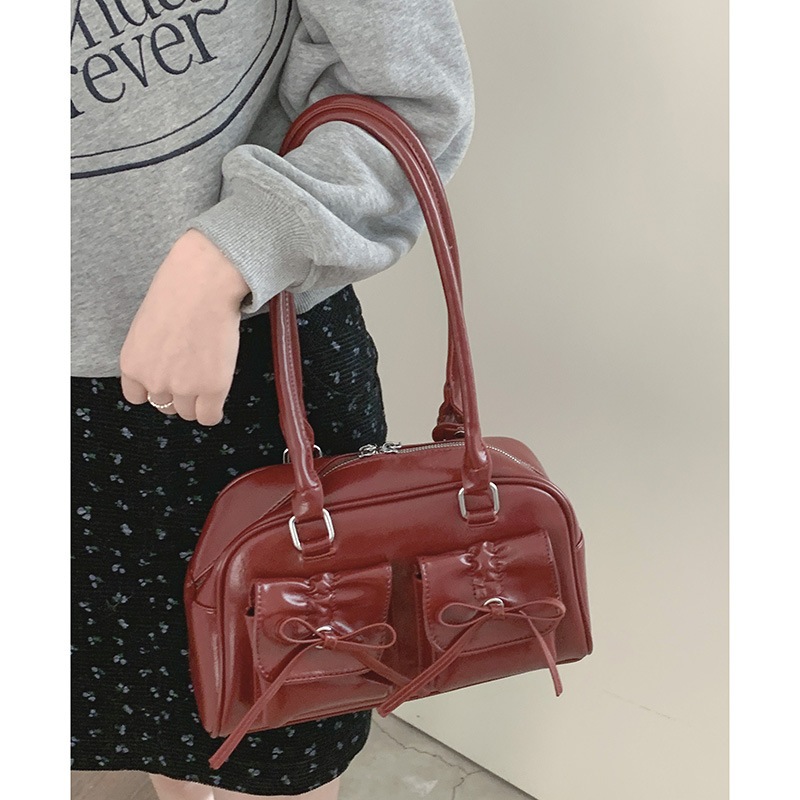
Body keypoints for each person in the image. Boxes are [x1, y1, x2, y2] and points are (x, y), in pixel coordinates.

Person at [70, 0, 475, 798]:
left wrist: (231, 252)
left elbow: (413, 93)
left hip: (238, 368)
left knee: (257, 750)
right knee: (139, 731)